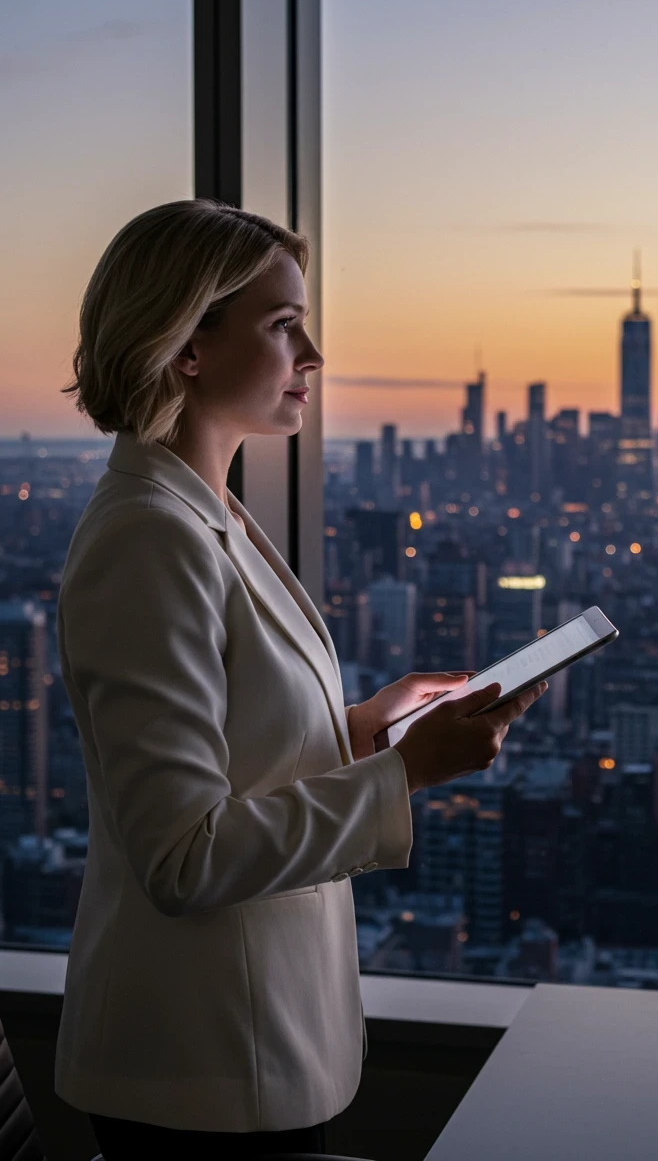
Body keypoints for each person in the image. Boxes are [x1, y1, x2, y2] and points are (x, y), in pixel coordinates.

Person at [55, 199, 548, 1159]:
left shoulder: (208, 516)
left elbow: (243, 761)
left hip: (258, 1046)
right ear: (186, 347)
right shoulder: (149, 537)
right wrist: (403, 776)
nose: (312, 354)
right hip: (195, 1076)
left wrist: (367, 727)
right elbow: (180, 857)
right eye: (284, 327)